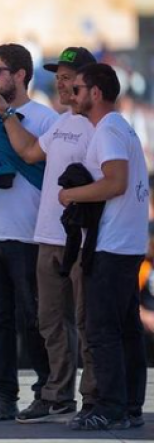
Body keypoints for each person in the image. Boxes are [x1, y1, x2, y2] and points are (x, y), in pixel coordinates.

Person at [0, 47, 98, 424]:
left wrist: (73, 197)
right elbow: (30, 152)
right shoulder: (62, 122)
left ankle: (89, 398)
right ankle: (45, 395)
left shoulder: (84, 123)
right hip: (17, 233)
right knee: (28, 321)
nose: (62, 83)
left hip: (57, 236)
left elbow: (112, 179)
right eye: (60, 77)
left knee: (66, 320)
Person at [0, 43, 56, 422]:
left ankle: (47, 390)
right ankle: (2, 396)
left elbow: (45, 165)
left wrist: (6, 115)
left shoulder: (46, 119)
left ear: (20, 75)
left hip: (29, 233)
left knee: (35, 318)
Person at [59, 63, 148, 430]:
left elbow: (116, 183)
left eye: (77, 88)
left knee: (102, 330)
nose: (72, 95)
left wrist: (70, 195)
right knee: (126, 329)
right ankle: (129, 407)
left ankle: (110, 407)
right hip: (127, 243)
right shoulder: (121, 126)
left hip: (112, 246)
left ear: (95, 93)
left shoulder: (109, 129)